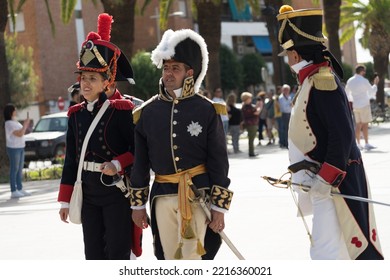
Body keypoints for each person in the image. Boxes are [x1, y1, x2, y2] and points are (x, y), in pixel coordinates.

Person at [276, 5, 383, 259]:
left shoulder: (322, 80)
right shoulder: (311, 80)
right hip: (321, 182)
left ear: (295, 53)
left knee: (328, 253)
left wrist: (326, 178)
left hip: (334, 183)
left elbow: (343, 135)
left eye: (288, 52)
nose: (287, 57)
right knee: (335, 252)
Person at [129, 29, 233, 260]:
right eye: (166, 68)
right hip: (162, 196)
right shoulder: (147, 112)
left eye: (175, 68)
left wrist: (219, 208)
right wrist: (137, 205)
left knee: (193, 260)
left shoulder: (206, 110)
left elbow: (219, 161)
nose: (169, 73)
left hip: (198, 195)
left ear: (190, 72)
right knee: (168, 260)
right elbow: (141, 163)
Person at [57, 13, 139, 260]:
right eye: (83, 78)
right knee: (92, 255)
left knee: (116, 253)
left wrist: (117, 164)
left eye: (93, 78)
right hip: (88, 192)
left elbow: (137, 151)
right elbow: (71, 159)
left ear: (107, 83)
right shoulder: (75, 115)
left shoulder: (122, 111)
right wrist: (64, 200)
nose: (85, 83)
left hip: (115, 193)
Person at [345, 65, 379, 151]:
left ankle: (358, 144)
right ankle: (366, 143)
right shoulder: (364, 80)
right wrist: (375, 84)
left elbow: (347, 93)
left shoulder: (350, 80)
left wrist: (353, 99)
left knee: (358, 124)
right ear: (362, 71)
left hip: (355, 105)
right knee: (365, 124)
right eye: (364, 71)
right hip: (364, 104)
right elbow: (371, 92)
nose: (365, 73)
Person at [4, 104, 31, 198]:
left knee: (19, 170)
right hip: (13, 148)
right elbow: (19, 134)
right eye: (14, 110)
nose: (16, 111)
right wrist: (25, 125)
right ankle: (13, 190)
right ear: (10, 112)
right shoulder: (9, 123)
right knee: (14, 169)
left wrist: (25, 125)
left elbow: (22, 132)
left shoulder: (14, 122)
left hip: (20, 147)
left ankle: (19, 188)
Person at [240, 92, 260, 157]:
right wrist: (259, 108)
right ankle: (251, 152)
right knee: (251, 138)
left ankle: (251, 151)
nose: (251, 99)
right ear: (246, 99)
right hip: (251, 123)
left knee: (251, 138)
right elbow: (255, 113)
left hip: (251, 123)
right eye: (249, 98)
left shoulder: (246, 106)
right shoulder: (247, 106)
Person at [278, 84, 292, 148]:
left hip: (289, 114)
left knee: (289, 129)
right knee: (286, 129)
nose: (287, 91)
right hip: (285, 114)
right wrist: (290, 105)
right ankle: (286, 143)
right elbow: (284, 108)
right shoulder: (281, 98)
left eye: (288, 90)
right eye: (285, 90)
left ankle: (288, 142)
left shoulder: (288, 97)